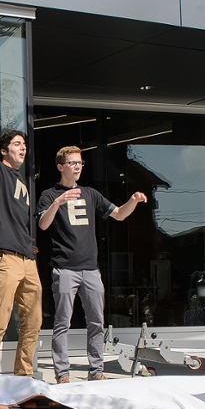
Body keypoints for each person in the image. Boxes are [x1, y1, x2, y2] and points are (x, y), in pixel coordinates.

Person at [38, 145, 146, 383]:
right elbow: (43, 225)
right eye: (73, 163)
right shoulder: (48, 195)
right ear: (60, 166)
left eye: (80, 163)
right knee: (62, 322)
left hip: (91, 269)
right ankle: (62, 373)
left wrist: (133, 200)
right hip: (65, 267)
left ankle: (96, 370)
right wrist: (59, 202)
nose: (77, 167)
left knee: (96, 321)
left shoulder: (90, 193)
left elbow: (118, 214)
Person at [0, 79, 41, 378]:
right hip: (4, 257)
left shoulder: (21, 181)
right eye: (16, 145)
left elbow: (18, 219)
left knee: (34, 320)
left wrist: (28, 242)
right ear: (3, 152)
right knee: (0, 320)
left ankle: (23, 376)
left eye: (24, 146)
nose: (22, 149)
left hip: (27, 258)